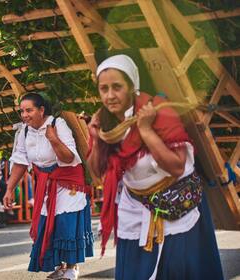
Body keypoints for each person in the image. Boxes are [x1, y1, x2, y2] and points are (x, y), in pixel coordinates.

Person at [87, 54, 223, 280]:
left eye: (117, 87)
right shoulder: (104, 122)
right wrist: (96, 138)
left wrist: (147, 131)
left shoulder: (159, 110)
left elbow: (177, 168)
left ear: (132, 87)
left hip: (176, 206)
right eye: (104, 89)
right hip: (135, 210)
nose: (110, 96)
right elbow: (96, 174)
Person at [3, 93, 93, 279]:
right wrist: (9, 189)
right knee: (48, 224)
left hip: (69, 182)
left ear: (41, 110)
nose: (25, 115)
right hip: (46, 183)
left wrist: (52, 138)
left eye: (29, 110)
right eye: (22, 111)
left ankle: (72, 267)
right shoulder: (24, 131)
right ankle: (59, 267)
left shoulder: (58, 125)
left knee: (65, 223)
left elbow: (68, 157)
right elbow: (20, 161)